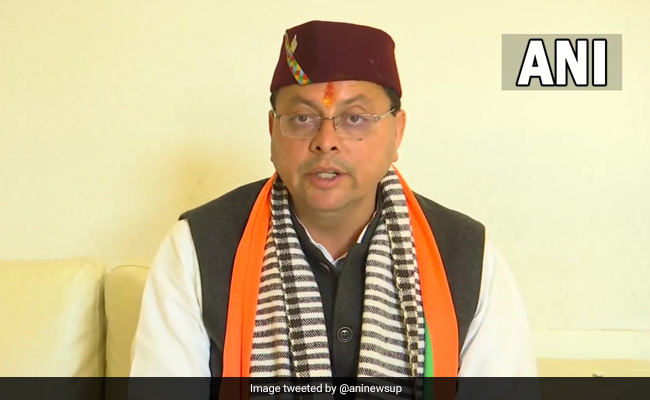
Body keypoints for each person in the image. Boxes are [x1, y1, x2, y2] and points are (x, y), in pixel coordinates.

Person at [130, 20, 537, 385]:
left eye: (355, 117)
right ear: (272, 131)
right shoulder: (197, 248)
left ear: (397, 132)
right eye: (302, 118)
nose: (326, 141)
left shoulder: (467, 255)